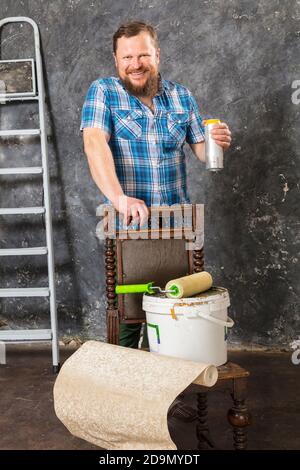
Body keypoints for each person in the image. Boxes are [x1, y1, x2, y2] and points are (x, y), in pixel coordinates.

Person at [81, 20, 231, 368]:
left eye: (143, 55)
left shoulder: (182, 96)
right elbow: (94, 144)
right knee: (130, 315)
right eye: (127, 57)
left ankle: (170, 392)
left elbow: (199, 149)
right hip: (129, 227)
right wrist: (119, 199)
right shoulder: (103, 92)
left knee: (174, 315)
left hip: (176, 227)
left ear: (157, 55)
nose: (135, 64)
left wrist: (216, 141)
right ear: (116, 60)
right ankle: (124, 394)